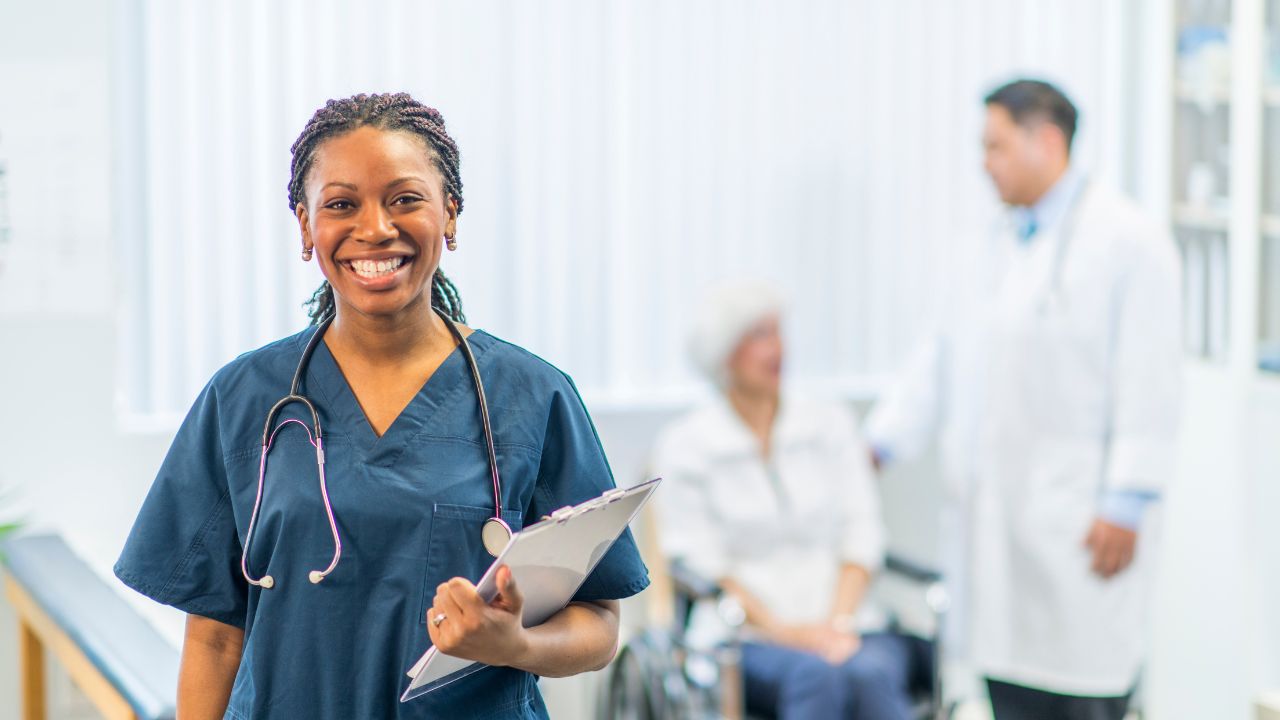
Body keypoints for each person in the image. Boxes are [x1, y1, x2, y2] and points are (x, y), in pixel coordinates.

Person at [113, 93, 649, 719]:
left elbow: (599, 624)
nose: (375, 228)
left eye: (405, 199)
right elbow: (212, 637)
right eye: (341, 204)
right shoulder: (242, 399)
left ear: (449, 213)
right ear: (306, 227)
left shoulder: (533, 396)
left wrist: (516, 643)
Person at [867, 79, 1181, 719]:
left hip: (1082, 521)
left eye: (996, 146)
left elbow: (1150, 379)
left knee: (1082, 689)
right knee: (1008, 687)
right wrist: (879, 442)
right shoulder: (989, 245)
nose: (984, 163)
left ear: (1047, 140)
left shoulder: (1129, 241)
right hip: (999, 525)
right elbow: (937, 356)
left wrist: (1127, 499)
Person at [650, 283, 930, 720]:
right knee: (816, 677)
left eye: (778, 333)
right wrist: (788, 634)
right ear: (724, 354)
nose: (776, 348)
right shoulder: (687, 445)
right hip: (745, 640)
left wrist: (836, 625)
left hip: (849, 628)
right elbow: (703, 563)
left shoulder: (829, 424)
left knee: (871, 675)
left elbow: (862, 533)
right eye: (759, 336)